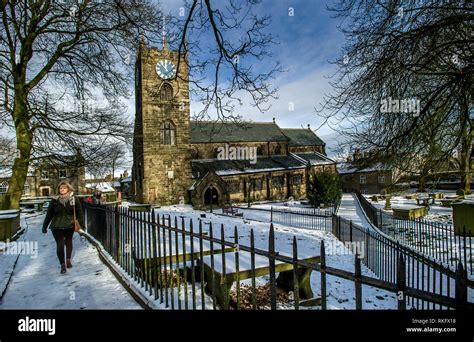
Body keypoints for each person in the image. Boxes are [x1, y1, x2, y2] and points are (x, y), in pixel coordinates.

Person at [42, 182, 84, 274]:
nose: (62, 190)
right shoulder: (54, 200)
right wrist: (44, 226)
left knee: (68, 242)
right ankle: (62, 265)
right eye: (61, 188)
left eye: (64, 188)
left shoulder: (73, 199)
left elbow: (79, 212)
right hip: (57, 226)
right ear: (58, 190)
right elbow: (49, 214)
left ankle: (68, 260)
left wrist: (82, 226)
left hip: (70, 225)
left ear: (68, 189)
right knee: (60, 245)